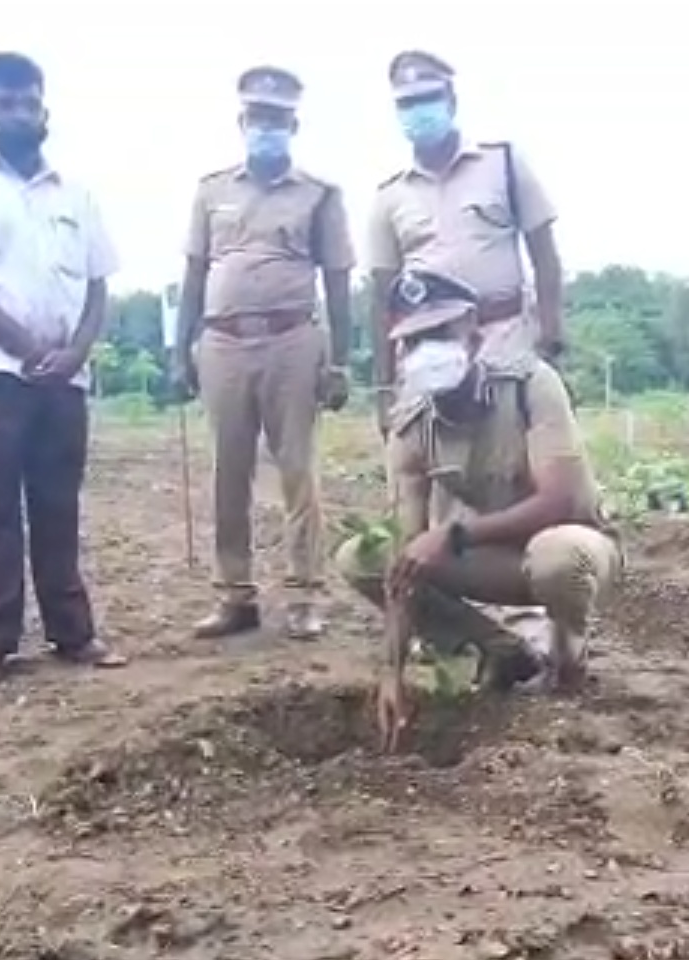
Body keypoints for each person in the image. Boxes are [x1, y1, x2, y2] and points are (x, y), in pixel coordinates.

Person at [331, 270, 622, 751]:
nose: (428, 350)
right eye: (414, 340)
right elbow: (406, 563)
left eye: (439, 333)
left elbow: (560, 501)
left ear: (473, 330)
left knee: (557, 555)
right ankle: (502, 651)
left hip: (577, 547)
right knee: (363, 557)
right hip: (494, 562)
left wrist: (456, 535)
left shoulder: (530, 385)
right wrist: (392, 675)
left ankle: (569, 657)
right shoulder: (410, 430)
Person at [0, 51, 127, 689]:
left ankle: (73, 634)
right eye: (4, 103)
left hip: (64, 382)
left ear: (45, 109)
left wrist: (77, 352)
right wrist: (23, 348)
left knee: (59, 507)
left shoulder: (76, 192)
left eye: (29, 102)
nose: (19, 114)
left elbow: (97, 287)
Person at [171, 65, 356, 641]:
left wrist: (342, 362)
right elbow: (194, 275)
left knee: (298, 471)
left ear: (293, 124)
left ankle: (304, 596)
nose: (266, 127)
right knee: (229, 472)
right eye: (257, 117)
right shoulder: (211, 190)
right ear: (241, 121)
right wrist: (181, 354)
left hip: (293, 340)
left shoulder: (320, 195)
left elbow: (339, 282)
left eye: (277, 119)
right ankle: (235, 596)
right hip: (222, 341)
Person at [364, 50, 567, 434]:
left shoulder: (502, 163)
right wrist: (384, 385)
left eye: (428, 99)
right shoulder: (389, 195)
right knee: (436, 461)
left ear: (451, 102)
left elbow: (545, 255)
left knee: (513, 457)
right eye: (407, 103)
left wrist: (551, 336)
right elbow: (382, 300)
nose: (418, 111)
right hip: (428, 352)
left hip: (505, 338)